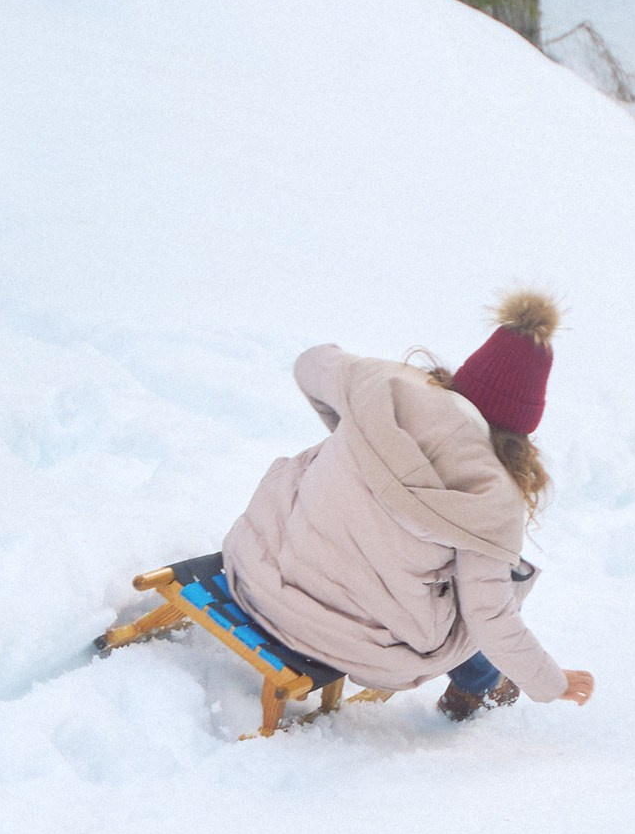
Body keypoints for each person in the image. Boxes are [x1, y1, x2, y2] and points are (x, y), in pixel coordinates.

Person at [222, 291, 593, 723]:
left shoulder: (382, 389)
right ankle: (480, 684)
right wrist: (555, 683)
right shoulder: (494, 500)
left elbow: (310, 363)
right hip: (352, 642)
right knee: (493, 582)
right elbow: (489, 617)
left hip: (257, 574)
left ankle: (480, 683)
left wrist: (362, 445)